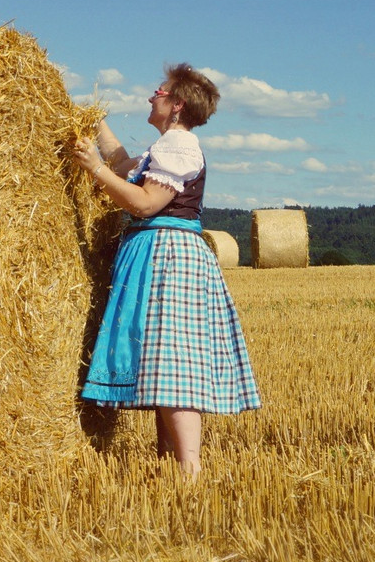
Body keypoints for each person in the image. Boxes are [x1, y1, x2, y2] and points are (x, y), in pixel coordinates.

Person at [70, 63, 259, 476]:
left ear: (177, 105)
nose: (150, 96)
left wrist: (93, 169)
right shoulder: (165, 147)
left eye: (159, 91)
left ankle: (189, 471)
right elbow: (123, 166)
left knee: (176, 365)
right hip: (157, 252)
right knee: (161, 362)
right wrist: (92, 122)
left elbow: (143, 202)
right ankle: (171, 467)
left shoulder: (180, 146)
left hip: (170, 255)